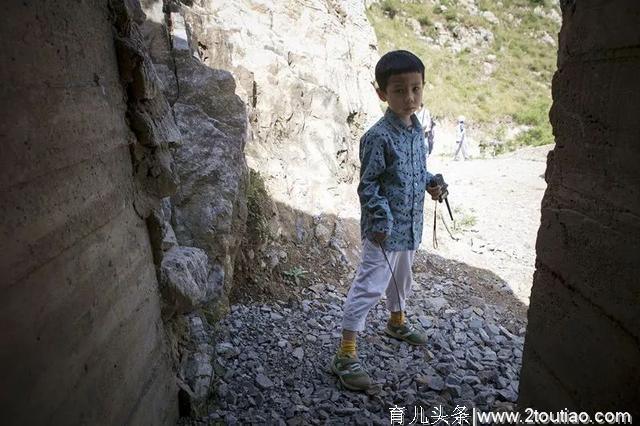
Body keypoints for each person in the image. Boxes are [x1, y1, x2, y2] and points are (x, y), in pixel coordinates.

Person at [331, 50, 444, 391]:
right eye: (399, 90)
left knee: (402, 280)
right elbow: (368, 186)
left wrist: (432, 182)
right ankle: (345, 354)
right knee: (369, 287)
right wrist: (380, 220)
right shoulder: (378, 136)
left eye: (416, 88)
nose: (409, 98)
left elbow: (415, 171)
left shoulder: (416, 131)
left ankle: (396, 322)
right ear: (382, 93)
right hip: (384, 232)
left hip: (410, 227)